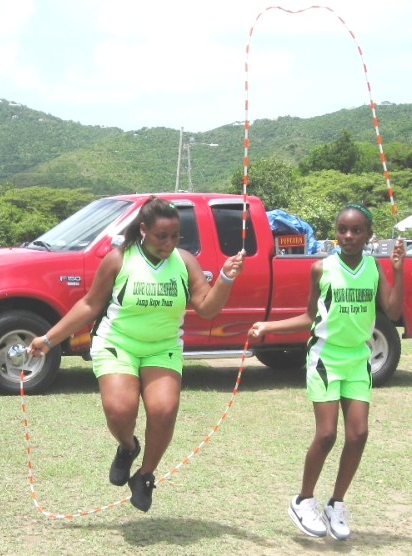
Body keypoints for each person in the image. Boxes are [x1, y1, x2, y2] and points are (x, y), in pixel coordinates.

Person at [28, 197, 244, 512]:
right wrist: (48, 339)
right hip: (118, 343)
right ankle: (128, 448)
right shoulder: (119, 260)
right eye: (161, 237)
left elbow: (208, 308)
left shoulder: (184, 262)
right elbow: (89, 305)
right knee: (120, 411)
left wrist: (225, 277)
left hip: (162, 347)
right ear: (143, 229)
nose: (168, 244)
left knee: (164, 411)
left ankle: (144, 476)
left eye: (174, 237)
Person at [249, 204, 404, 541]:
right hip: (325, 358)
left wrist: (399, 269)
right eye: (343, 230)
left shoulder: (374, 268)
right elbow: (310, 316)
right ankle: (303, 500)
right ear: (336, 232)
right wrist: (268, 326)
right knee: (327, 435)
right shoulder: (321, 268)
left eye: (357, 230)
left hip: (357, 359)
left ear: (368, 234)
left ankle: (336, 504)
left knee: (359, 434)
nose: (348, 236)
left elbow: (392, 312)